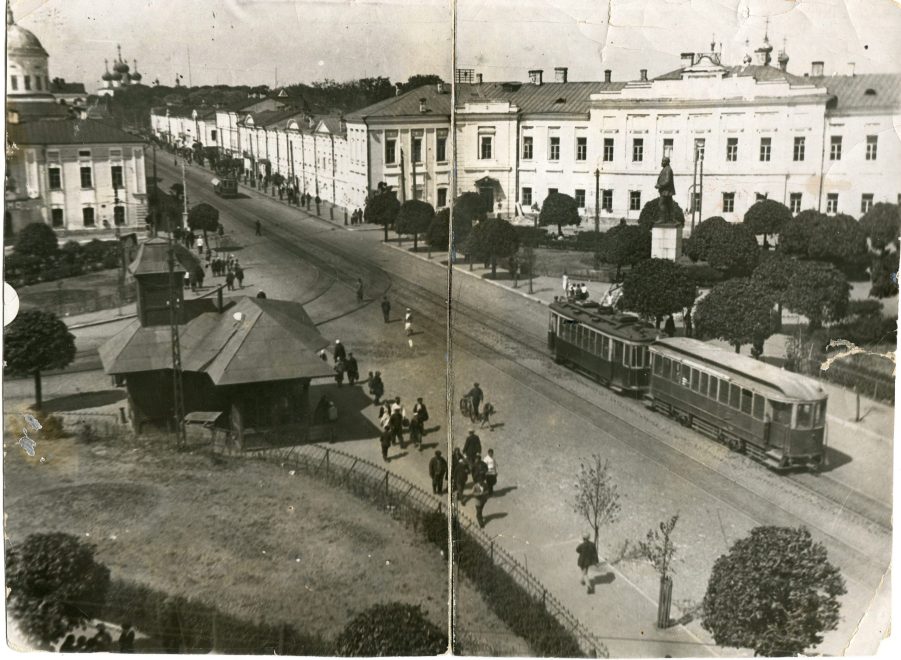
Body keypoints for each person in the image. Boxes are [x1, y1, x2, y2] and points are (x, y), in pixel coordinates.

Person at [655, 156, 676, 224]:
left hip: (666, 191)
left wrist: (659, 185)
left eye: (663, 161)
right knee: (669, 205)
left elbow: (667, 181)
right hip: (667, 191)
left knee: (661, 204)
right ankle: (671, 219)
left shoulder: (668, 169)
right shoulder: (666, 169)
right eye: (662, 161)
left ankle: (663, 219)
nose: (662, 162)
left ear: (667, 162)